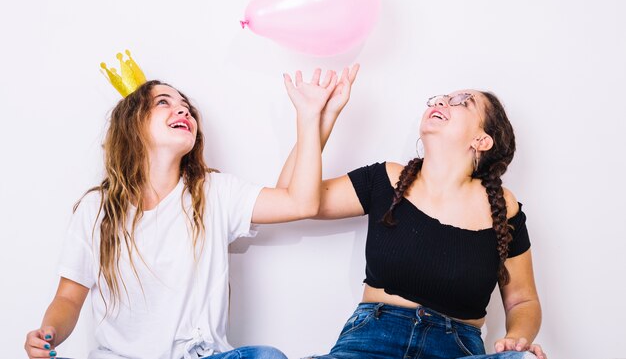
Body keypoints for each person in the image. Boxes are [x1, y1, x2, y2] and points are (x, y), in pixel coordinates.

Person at [24, 67, 347, 359]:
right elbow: (68, 297)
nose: (183, 109)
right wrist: (48, 335)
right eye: (164, 102)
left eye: (187, 108)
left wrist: (315, 118)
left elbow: (299, 202)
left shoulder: (215, 192)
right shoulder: (97, 209)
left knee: (266, 356)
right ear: (131, 125)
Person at [277, 80, 546, 359]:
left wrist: (517, 339)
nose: (441, 102)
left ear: (482, 140)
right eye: (440, 98)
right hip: (370, 344)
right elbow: (289, 199)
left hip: (456, 350)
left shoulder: (503, 207)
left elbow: (522, 300)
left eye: (462, 101)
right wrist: (317, 119)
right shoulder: (385, 180)